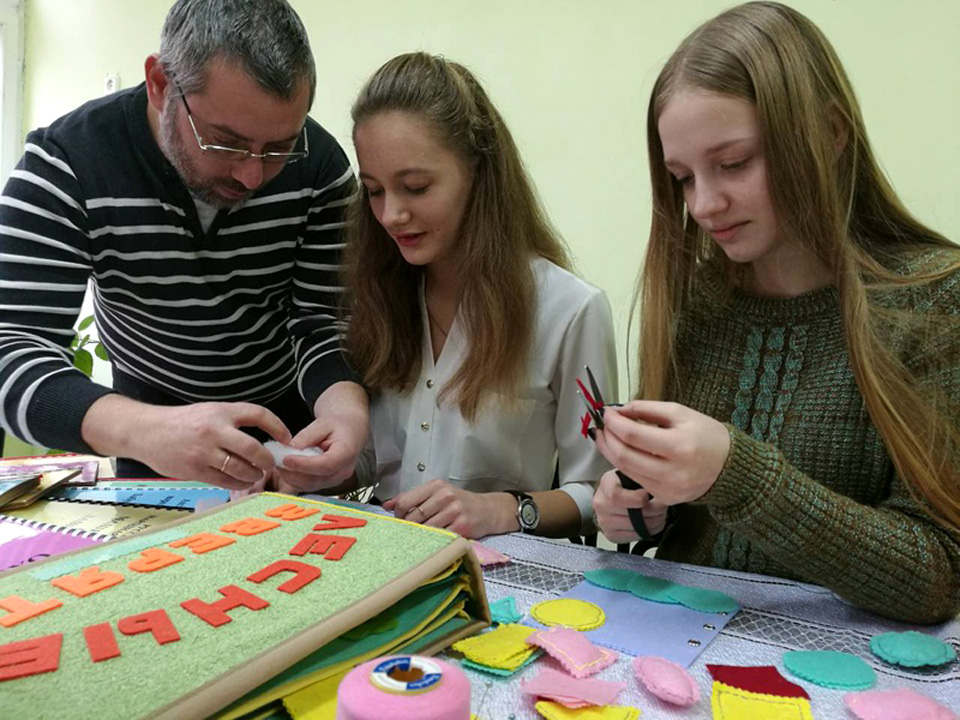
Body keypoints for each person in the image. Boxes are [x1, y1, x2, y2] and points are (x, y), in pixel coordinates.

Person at [592, 1, 960, 624]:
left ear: (831, 133)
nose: (704, 205)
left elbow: (937, 576)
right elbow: (692, 531)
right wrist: (643, 507)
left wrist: (736, 473)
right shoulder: (702, 304)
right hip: (685, 653)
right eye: (682, 177)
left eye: (734, 163)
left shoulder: (932, 302)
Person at [0, 0, 368, 492]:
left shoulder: (320, 167)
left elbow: (321, 319)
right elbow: (12, 347)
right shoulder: (66, 163)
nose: (253, 173)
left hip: (293, 429)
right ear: (159, 85)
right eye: (226, 142)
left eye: (279, 147)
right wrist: (148, 431)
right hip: (148, 427)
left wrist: (344, 407)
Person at [342, 52, 617, 540]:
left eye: (416, 187)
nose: (390, 216)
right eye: (374, 191)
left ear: (478, 171)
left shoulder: (571, 310)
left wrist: (503, 511)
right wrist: (315, 463)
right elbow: (369, 464)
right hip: (387, 564)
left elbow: (597, 493)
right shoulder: (380, 292)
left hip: (505, 585)